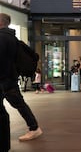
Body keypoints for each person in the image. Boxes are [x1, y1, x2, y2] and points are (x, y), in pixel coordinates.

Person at [0, 13, 43, 142]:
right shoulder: (11, 37)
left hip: (4, 79)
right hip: (9, 78)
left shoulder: (2, 37)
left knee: (19, 104)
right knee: (19, 104)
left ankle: (34, 128)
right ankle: (34, 128)